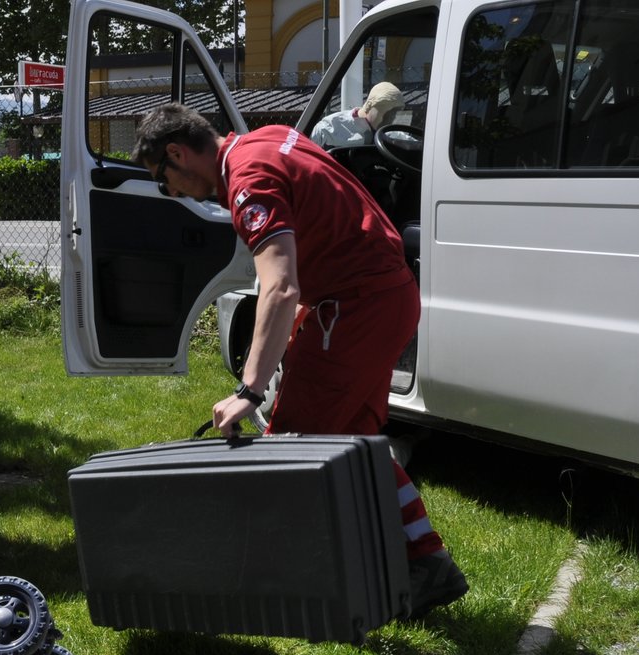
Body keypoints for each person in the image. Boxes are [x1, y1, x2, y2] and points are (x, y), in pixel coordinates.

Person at [133, 103, 467, 618]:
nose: (172, 192)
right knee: (356, 440)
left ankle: (279, 587)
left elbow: (281, 285)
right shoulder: (265, 139)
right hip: (384, 296)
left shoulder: (247, 183)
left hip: (355, 307)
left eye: (164, 179)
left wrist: (250, 390)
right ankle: (425, 561)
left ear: (178, 154)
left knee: (290, 450)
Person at [310, 81, 405, 149]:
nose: (392, 118)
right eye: (387, 113)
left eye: (394, 113)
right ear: (369, 105)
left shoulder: (393, 134)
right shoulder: (330, 127)